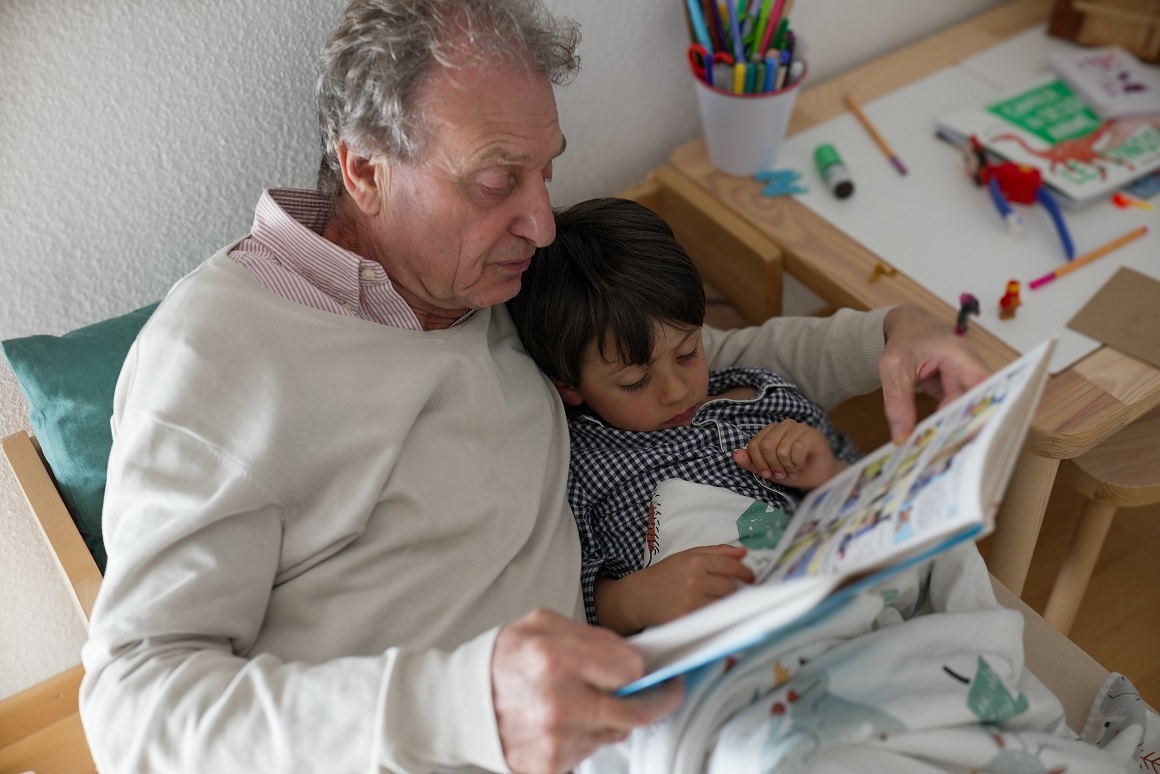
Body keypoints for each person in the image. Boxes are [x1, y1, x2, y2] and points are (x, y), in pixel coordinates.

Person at [78, 0, 990, 772]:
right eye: (496, 182)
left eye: (546, 171)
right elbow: (132, 703)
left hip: (636, 714)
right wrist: (467, 703)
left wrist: (886, 335)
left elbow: (683, 360)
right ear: (365, 171)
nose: (543, 223)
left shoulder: (485, 279)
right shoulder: (216, 356)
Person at [507, 197, 862, 635]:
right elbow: (572, 592)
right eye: (635, 381)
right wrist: (634, 598)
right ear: (569, 387)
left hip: (828, 593)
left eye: (688, 353)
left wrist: (826, 472)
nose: (676, 392)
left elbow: (873, 496)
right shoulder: (579, 465)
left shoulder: (760, 396)